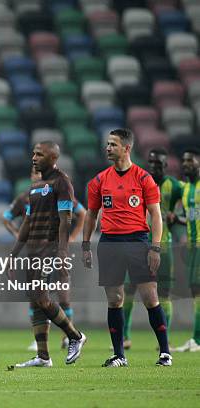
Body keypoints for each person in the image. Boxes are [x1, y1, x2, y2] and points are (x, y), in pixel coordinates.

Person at [82, 128, 171, 367]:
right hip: (109, 242)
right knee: (115, 300)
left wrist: (155, 247)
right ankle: (119, 354)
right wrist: (85, 245)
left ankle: (165, 352)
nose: (108, 148)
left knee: (150, 297)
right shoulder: (99, 180)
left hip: (138, 241)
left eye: (113, 144)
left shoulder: (143, 178)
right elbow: (91, 215)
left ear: (126, 148)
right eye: (107, 144)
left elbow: (156, 215)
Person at [9, 141, 87, 368]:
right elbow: (28, 222)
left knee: (42, 297)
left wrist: (62, 251)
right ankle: (43, 356)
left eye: (39, 154)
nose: (33, 157)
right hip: (33, 251)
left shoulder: (61, 183)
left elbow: (66, 220)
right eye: (33, 153)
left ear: (53, 158)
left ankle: (75, 336)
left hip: (50, 250)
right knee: (36, 301)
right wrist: (14, 254)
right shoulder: (35, 186)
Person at [122, 148, 181, 350]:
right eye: (151, 162)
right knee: (128, 289)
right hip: (138, 245)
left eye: (158, 163)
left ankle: (164, 340)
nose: (154, 166)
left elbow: (190, 207)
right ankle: (125, 336)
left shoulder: (174, 186)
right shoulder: (137, 181)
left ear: (165, 165)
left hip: (163, 246)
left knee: (163, 293)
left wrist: (177, 217)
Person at [172, 148, 200, 352]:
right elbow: (192, 216)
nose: (185, 164)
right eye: (183, 160)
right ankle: (196, 339)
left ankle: (197, 339)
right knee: (195, 292)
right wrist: (177, 219)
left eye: (190, 160)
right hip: (192, 246)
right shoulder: (187, 188)